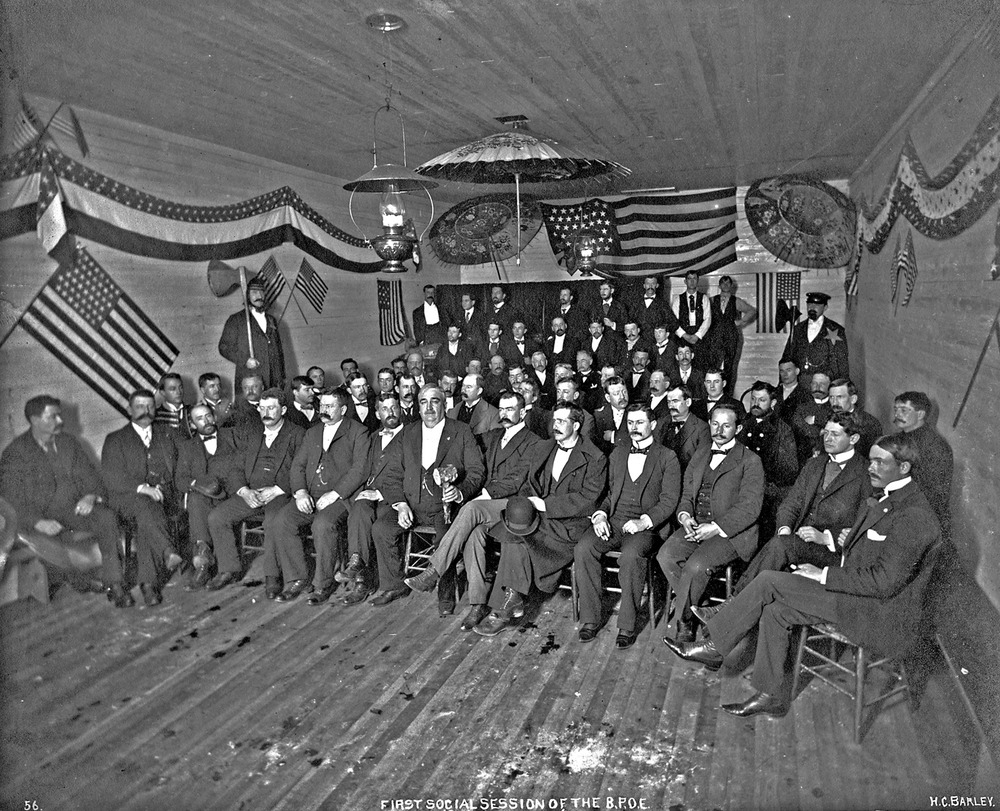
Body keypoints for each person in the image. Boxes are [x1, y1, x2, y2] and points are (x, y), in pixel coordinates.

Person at [666, 432, 940, 719]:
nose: (870, 468)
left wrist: (823, 574)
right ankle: (769, 694)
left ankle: (716, 646)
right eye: (870, 461)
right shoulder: (889, 498)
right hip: (856, 592)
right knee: (776, 610)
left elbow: (884, 583)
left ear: (904, 467)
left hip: (877, 612)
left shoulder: (914, 515)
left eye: (879, 463)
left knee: (769, 580)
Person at [697, 411, 871, 615]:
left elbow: (865, 526)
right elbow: (791, 504)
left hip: (833, 555)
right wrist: (785, 529)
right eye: (825, 433)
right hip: (797, 543)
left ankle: (730, 608)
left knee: (777, 548)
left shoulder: (866, 473)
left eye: (835, 434)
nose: (828, 439)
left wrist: (826, 537)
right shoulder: (814, 464)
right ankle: (734, 610)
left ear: (854, 439)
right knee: (778, 543)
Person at [403, 390, 541, 629]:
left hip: (513, 505)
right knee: (473, 536)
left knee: (470, 508)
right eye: (502, 409)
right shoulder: (494, 435)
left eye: (511, 409)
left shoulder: (534, 442)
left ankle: (434, 570)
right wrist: (453, 471)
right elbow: (463, 445)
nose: (505, 414)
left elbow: (517, 480)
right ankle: (477, 604)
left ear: (524, 411)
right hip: (488, 508)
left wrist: (482, 494)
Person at [475, 403, 607, 636]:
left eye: (562, 421)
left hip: (569, 525)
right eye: (554, 421)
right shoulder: (544, 448)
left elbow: (588, 499)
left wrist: (545, 505)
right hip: (540, 518)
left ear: (576, 425)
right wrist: (528, 501)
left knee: (516, 537)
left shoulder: (595, 457)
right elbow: (528, 483)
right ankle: (508, 602)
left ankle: (506, 605)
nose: (555, 426)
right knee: (512, 531)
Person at [0, 395, 124, 605]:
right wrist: (38, 522)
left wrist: (90, 496)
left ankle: (116, 583)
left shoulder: (68, 442)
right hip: (39, 518)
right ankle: (79, 581)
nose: (60, 421)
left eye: (60, 416)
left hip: (72, 510)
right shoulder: (15, 453)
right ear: (34, 420)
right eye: (53, 417)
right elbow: (10, 499)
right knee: (51, 548)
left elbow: (90, 475)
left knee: (106, 517)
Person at [575, 403, 681, 648]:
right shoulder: (618, 453)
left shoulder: (667, 457)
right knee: (583, 548)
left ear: (653, 425)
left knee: (631, 556)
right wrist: (600, 515)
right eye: (630, 423)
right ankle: (590, 618)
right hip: (615, 520)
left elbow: (669, 500)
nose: (634, 428)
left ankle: (627, 624)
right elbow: (610, 493)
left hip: (647, 527)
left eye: (640, 422)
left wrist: (644, 521)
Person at [369, 385, 485, 608]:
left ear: (444, 405)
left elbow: (476, 471)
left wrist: (460, 492)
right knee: (381, 528)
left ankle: (446, 594)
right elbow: (391, 474)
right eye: (424, 402)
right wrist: (401, 505)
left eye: (435, 401)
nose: (429, 407)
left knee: (446, 537)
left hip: (444, 508)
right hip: (411, 506)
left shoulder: (460, 431)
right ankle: (395, 585)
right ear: (418, 407)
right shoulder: (407, 433)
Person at [656, 404, 764, 642]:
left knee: (695, 567)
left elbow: (750, 508)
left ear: (738, 428)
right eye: (715, 424)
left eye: (726, 425)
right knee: (665, 556)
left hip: (731, 534)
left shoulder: (751, 460)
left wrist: (715, 528)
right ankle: (697, 606)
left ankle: (684, 622)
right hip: (697, 525)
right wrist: (685, 516)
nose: (719, 430)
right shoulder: (701, 453)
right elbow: (686, 495)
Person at [272, 388, 369, 603]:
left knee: (322, 525)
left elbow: (360, 470)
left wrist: (334, 494)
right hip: (311, 495)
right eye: (322, 406)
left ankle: (322, 584)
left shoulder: (358, 431)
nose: (323, 410)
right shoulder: (313, 432)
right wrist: (300, 492)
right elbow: (298, 465)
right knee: (282, 521)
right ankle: (296, 578)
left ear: (343, 409)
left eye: (330, 406)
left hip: (341, 498)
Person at [206, 388, 305, 597]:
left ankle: (272, 575)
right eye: (262, 408)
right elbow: (235, 468)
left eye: (272, 408)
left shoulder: (297, 434)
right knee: (217, 517)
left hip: (280, 494)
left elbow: (301, 469)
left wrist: (278, 490)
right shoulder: (252, 434)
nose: (266, 413)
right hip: (252, 492)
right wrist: (244, 491)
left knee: (271, 522)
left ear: (284, 409)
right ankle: (228, 569)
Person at [101, 389, 180, 607]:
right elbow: (111, 477)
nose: (146, 411)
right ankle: (164, 556)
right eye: (139, 407)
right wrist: (142, 488)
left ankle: (148, 583)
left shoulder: (167, 434)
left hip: (160, 499)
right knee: (147, 505)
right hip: (125, 501)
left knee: (148, 516)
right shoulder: (115, 439)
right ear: (129, 409)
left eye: (150, 406)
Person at [340, 392, 406, 605]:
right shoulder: (374, 437)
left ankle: (393, 586)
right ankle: (360, 573)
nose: (391, 413)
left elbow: (413, 475)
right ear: (377, 413)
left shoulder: (411, 436)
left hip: (396, 496)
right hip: (371, 493)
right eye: (385, 409)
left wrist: (380, 493)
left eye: (394, 407)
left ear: (401, 409)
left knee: (378, 527)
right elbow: (364, 468)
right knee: (358, 510)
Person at [174, 403, 238, 589]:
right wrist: (197, 484)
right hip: (204, 495)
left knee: (198, 503)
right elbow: (180, 479)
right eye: (200, 418)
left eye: (208, 415)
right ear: (193, 425)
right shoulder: (187, 447)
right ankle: (203, 561)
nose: (206, 421)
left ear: (214, 416)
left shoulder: (231, 436)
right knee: (196, 498)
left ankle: (203, 563)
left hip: (230, 493)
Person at [892, 391, 953, 539]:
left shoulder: (935, 445)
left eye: (904, 410)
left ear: (920, 415)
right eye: (896, 409)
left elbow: (933, 491)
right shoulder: (899, 437)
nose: (898, 414)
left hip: (922, 515)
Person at [739, 381, 798, 537]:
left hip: (767, 495)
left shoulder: (782, 430)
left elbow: (788, 469)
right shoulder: (741, 424)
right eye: (753, 399)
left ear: (773, 402)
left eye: (762, 400)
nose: (756, 404)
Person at [218, 276, 285, 390]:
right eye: (254, 292)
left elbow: (279, 351)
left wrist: (282, 377)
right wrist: (245, 360)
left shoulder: (271, 320)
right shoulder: (236, 319)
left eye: (262, 292)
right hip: (250, 382)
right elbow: (224, 347)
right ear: (247, 295)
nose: (259, 296)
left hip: (273, 382)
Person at [780, 291, 849, 383]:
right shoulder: (798, 329)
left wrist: (842, 386)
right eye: (809, 304)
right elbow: (787, 357)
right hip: (800, 383)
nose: (812, 308)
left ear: (825, 307)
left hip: (824, 384)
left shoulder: (835, 330)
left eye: (817, 305)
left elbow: (842, 362)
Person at [704, 275, 756, 392]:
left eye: (728, 283)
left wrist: (741, 322)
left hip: (731, 337)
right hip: (714, 337)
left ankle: (728, 394)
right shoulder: (711, 300)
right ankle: (712, 393)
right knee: (713, 366)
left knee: (730, 367)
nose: (726, 285)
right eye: (723, 283)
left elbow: (751, 311)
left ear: (731, 286)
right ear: (719, 285)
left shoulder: (736, 301)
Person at [656, 384, 710, 471]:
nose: (671, 406)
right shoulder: (661, 423)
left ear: (688, 402)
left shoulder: (702, 428)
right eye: (669, 401)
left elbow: (701, 465)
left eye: (675, 401)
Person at [828, 378, 882, 458]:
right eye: (831, 397)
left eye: (839, 397)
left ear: (853, 399)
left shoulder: (869, 423)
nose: (834, 402)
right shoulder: (828, 419)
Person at [791, 371, 833, 466]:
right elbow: (798, 426)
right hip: (804, 458)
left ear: (830, 386)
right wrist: (819, 431)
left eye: (822, 384)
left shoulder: (833, 407)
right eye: (814, 383)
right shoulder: (801, 407)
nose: (817, 387)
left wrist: (815, 419)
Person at [673, 270, 712, 369]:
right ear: (685, 281)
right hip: (683, 336)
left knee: (700, 364)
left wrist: (697, 335)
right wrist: (684, 335)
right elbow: (673, 321)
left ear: (698, 280)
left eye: (694, 278)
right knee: (684, 364)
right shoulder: (678, 299)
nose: (692, 281)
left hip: (699, 336)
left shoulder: (704, 298)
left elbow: (708, 319)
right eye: (689, 279)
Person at [448, 373, 502, 439]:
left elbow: (494, 441)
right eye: (463, 386)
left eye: (468, 387)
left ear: (479, 391)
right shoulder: (452, 411)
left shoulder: (493, 414)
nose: (463, 390)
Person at [593, 376, 630, 454]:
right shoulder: (598, 416)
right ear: (608, 398)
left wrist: (613, 436)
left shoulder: (636, 413)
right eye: (616, 394)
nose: (622, 397)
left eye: (624, 392)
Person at [154, 373, 191, 439]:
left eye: (181, 387)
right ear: (163, 392)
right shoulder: (156, 416)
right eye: (173, 389)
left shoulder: (192, 410)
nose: (179, 392)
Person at [775, 359, 810, 425]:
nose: (785, 374)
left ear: (797, 371)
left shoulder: (805, 395)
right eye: (782, 371)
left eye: (788, 370)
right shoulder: (774, 393)